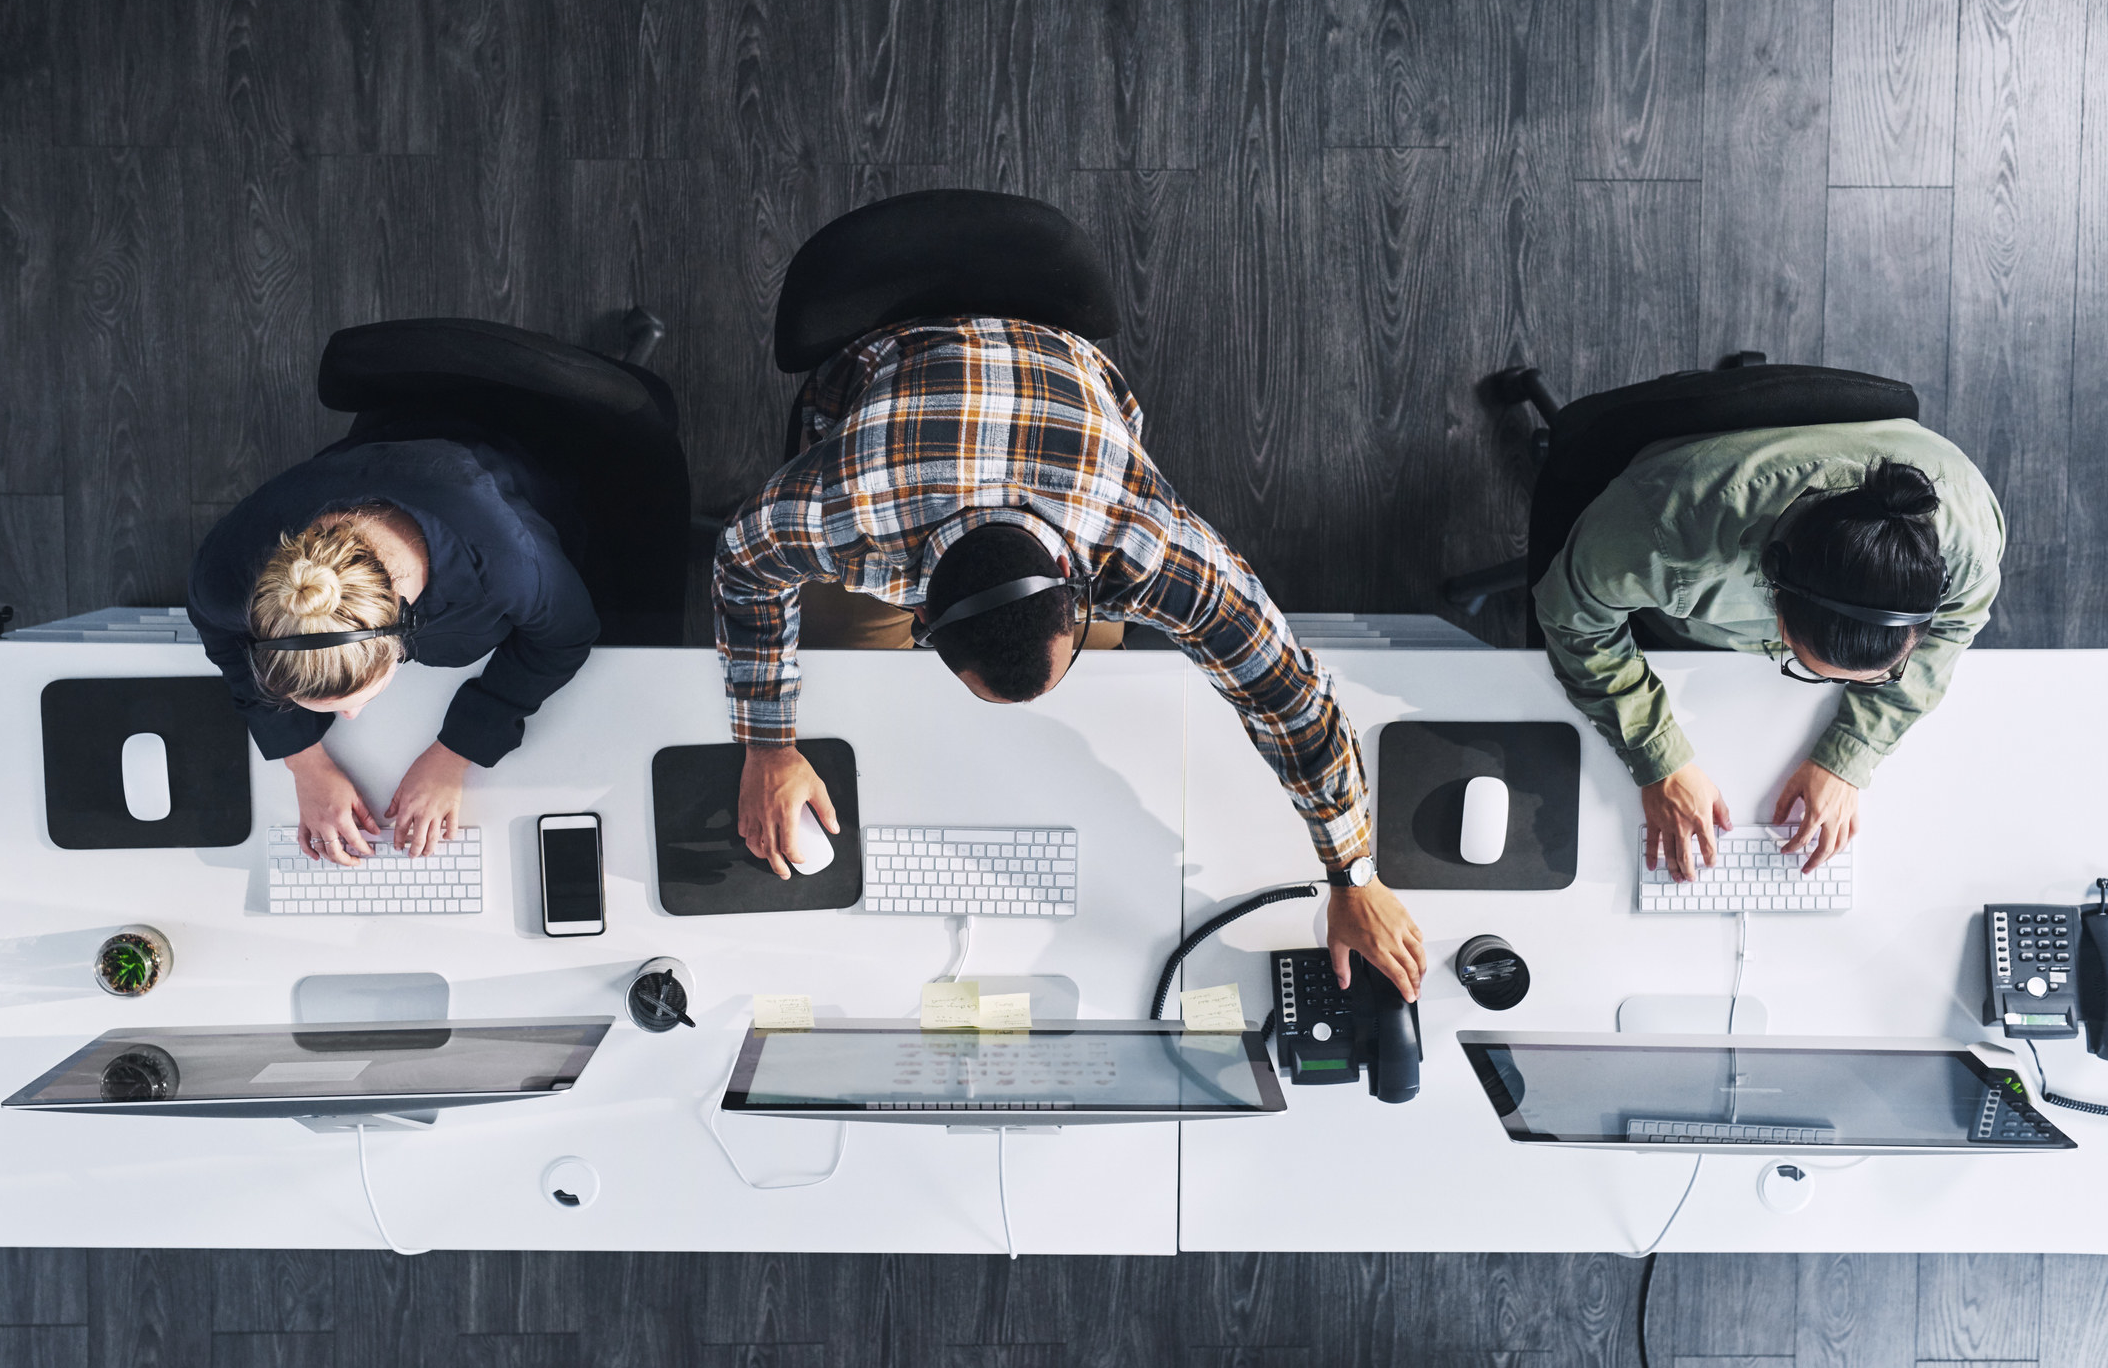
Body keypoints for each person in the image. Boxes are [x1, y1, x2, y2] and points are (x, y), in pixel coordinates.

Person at [713, 316, 1426, 998]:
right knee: (846, 663)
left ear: (1077, 590)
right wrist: (768, 746)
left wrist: (1353, 874)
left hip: (1063, 415)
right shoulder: (846, 510)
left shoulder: (1140, 539)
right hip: (890, 373)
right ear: (920, 615)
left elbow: (1289, 694)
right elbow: (742, 563)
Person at [1533, 422, 2003, 882]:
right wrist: (1659, 758)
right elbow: (1574, 619)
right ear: (1774, 598)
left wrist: (1851, 753)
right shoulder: (1662, 535)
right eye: (1809, 667)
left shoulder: (1971, 546)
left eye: (1882, 672)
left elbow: (1954, 629)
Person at [187, 437, 599, 865]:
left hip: (532, 454)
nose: (349, 717)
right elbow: (220, 635)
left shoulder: (508, 564)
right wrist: (304, 761)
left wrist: (457, 750)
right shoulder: (225, 576)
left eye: (357, 700)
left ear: (400, 636)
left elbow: (565, 635)